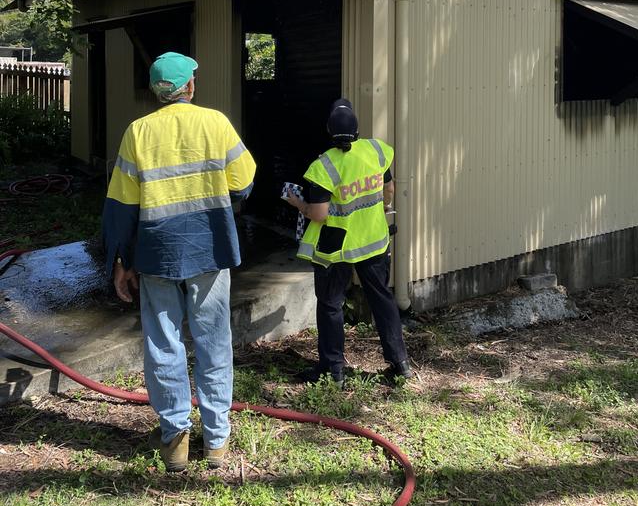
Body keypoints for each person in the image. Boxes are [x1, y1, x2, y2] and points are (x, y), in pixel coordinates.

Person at [102, 51, 255, 472]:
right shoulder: (216, 123)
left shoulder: (137, 132)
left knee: (163, 343)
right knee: (213, 342)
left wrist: (120, 259)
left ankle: (175, 441)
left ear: (157, 91)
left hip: (156, 254)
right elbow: (244, 181)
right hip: (209, 250)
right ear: (189, 86)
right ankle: (218, 442)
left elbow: (122, 205)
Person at [284, 98, 411, 387]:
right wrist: (381, 208)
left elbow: (318, 214)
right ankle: (400, 363)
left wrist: (297, 204)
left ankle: (334, 371)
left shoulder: (324, 165)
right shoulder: (376, 150)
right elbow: (388, 188)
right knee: (382, 299)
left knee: (331, 305)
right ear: (357, 131)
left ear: (329, 131)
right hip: (374, 240)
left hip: (335, 246)